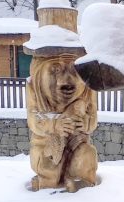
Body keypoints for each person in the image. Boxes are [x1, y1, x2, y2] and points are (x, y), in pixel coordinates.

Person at [26, 54, 99, 192]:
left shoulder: (89, 89)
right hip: (45, 146)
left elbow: (93, 117)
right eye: (55, 70)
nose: (65, 81)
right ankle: (47, 185)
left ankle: (84, 183)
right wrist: (54, 125)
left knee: (86, 156)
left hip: (76, 144)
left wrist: (86, 123)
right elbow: (33, 118)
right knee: (49, 170)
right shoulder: (33, 86)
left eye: (75, 70)